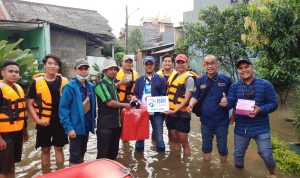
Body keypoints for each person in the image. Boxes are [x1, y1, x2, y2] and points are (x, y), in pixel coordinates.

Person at [222, 59, 278, 178]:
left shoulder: (265, 84)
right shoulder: (234, 86)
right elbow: (230, 104)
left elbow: (274, 104)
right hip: (241, 127)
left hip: (261, 127)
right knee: (238, 154)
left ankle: (271, 172)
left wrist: (260, 109)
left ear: (252, 68)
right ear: (238, 71)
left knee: (266, 154)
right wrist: (224, 103)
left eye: (246, 67)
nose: (244, 70)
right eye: (241, 68)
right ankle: (239, 173)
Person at [27, 54, 68, 171]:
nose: (52, 66)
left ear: (58, 67)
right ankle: (46, 173)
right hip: (43, 121)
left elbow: (70, 102)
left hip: (59, 120)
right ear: (44, 65)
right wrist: (37, 121)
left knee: (59, 148)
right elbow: (29, 104)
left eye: (55, 64)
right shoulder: (36, 83)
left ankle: (60, 171)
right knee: (45, 149)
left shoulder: (64, 81)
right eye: (49, 63)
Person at [188, 54, 232, 162]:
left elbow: (233, 98)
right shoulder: (200, 81)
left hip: (222, 122)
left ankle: (223, 169)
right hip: (205, 122)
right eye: (207, 64)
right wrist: (191, 104)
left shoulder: (226, 80)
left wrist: (228, 102)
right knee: (206, 147)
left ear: (217, 64)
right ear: (203, 65)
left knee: (222, 148)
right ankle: (207, 170)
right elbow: (195, 96)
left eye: (212, 63)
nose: (210, 66)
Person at [59, 59, 96, 165]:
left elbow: (93, 107)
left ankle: (80, 171)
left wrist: (93, 123)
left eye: (86, 69)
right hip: (75, 127)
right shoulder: (69, 87)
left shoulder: (90, 86)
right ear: (75, 70)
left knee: (83, 151)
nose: (83, 71)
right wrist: (69, 128)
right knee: (75, 155)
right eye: (80, 69)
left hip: (87, 126)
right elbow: (63, 110)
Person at [95, 58, 132, 160]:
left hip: (116, 125)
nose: (113, 71)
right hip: (105, 127)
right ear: (104, 71)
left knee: (113, 153)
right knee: (103, 155)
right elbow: (109, 103)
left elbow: (114, 88)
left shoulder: (112, 85)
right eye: (110, 69)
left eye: (115, 69)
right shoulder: (100, 84)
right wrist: (125, 105)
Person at [0, 61, 28, 178]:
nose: (14, 74)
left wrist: (24, 130)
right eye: (10, 71)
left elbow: (21, 111)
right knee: (3, 169)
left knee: (11, 165)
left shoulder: (18, 88)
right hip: (4, 134)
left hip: (17, 132)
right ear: (2, 73)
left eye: (16, 72)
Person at [134, 56, 167, 152]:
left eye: (151, 64)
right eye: (147, 64)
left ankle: (161, 160)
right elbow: (136, 94)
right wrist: (134, 98)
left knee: (159, 138)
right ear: (144, 65)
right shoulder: (139, 80)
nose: (149, 66)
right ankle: (139, 159)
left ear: (154, 65)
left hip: (156, 113)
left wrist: (153, 100)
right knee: (140, 138)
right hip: (142, 112)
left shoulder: (161, 79)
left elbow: (163, 95)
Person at [164, 54, 195, 156]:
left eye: (183, 62)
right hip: (171, 113)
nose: (180, 65)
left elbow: (186, 99)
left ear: (186, 63)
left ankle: (185, 166)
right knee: (175, 139)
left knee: (184, 142)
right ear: (175, 64)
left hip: (182, 114)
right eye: (178, 62)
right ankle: (177, 162)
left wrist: (175, 110)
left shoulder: (189, 78)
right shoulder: (173, 75)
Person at [156, 54, 177, 143]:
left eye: (169, 61)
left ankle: (171, 148)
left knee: (171, 131)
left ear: (172, 63)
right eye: (165, 61)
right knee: (156, 129)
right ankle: (154, 147)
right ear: (162, 63)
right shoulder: (156, 75)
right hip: (158, 105)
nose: (167, 63)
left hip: (171, 106)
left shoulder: (177, 75)